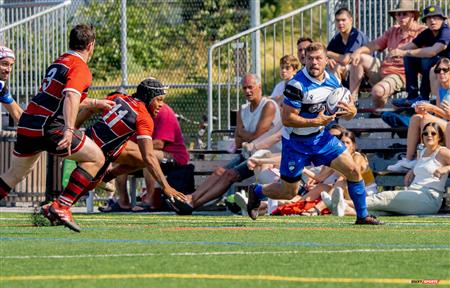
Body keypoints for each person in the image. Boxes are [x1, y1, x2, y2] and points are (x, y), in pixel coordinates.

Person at [245, 42, 382, 225]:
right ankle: (256, 192)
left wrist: (351, 112)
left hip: (321, 139)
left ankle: (362, 216)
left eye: (318, 58)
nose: (314, 63)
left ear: (326, 60)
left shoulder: (333, 81)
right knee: (289, 191)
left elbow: (348, 114)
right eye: (310, 59)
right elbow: (287, 119)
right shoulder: (296, 85)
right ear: (305, 61)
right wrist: (316, 121)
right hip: (296, 142)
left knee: (353, 170)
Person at [0, 24, 116, 232]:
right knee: (96, 158)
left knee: (13, 175)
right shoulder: (80, 67)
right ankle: (62, 206)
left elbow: (61, 97)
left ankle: (58, 206)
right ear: (91, 46)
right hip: (49, 127)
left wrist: (95, 103)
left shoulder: (60, 61)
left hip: (28, 124)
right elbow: (71, 95)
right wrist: (69, 129)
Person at [169, 73, 281, 214]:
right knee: (219, 172)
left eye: (250, 87)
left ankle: (192, 203)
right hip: (249, 154)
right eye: (244, 88)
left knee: (229, 175)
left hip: (266, 156)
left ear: (259, 87)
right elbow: (239, 142)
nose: (247, 91)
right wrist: (246, 136)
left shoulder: (268, 106)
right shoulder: (243, 109)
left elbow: (255, 137)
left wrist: (244, 134)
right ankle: (191, 199)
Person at [101, 100, 190, 212]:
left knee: (147, 158)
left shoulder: (163, 111)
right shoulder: (136, 112)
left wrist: (135, 149)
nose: (160, 103)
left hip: (174, 156)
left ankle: (148, 201)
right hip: (149, 153)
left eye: (160, 99)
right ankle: (123, 202)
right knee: (122, 158)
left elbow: (159, 143)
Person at [347, 122, 450, 215]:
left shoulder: (442, 152)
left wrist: (446, 168)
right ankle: (344, 209)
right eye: (425, 133)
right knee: (379, 212)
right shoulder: (422, 152)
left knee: (386, 196)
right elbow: (425, 168)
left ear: (440, 137)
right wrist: (412, 171)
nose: (429, 136)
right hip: (414, 194)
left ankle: (345, 202)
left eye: (433, 133)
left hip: (429, 198)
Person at [349, 1, 425, 108]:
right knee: (359, 57)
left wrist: (403, 53)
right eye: (398, 14)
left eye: (405, 14)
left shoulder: (422, 32)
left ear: (412, 15)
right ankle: (353, 100)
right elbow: (374, 44)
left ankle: (378, 114)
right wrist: (358, 51)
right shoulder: (393, 30)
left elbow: (428, 52)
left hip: (401, 75)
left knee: (377, 92)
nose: (401, 17)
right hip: (384, 69)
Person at [387, 57, 450, 172]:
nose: (441, 73)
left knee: (426, 118)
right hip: (444, 125)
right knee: (417, 118)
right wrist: (426, 110)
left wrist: (432, 109)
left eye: (445, 70)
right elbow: (440, 115)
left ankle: (423, 157)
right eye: (438, 70)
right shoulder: (441, 89)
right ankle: (409, 159)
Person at [390, 5, 450, 106]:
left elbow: (433, 51)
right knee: (409, 58)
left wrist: (404, 52)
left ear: (442, 19)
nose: (432, 21)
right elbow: (412, 45)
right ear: (425, 22)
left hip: (447, 66)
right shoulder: (427, 32)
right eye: (429, 18)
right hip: (436, 65)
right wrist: (395, 52)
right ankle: (412, 96)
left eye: (435, 18)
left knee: (426, 59)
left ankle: (424, 97)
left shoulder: (446, 31)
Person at [327, 8, 368, 85]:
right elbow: (325, 54)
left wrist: (329, 54)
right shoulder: (337, 38)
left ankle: (337, 94)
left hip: (365, 74)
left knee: (337, 67)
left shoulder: (356, 35)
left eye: (343, 20)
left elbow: (345, 60)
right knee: (328, 66)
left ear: (351, 20)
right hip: (349, 71)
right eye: (338, 20)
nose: (340, 23)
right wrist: (328, 59)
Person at [0, 46, 22, 122]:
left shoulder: (1, 87)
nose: (9, 70)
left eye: (11, 65)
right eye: (5, 64)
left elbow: (18, 114)